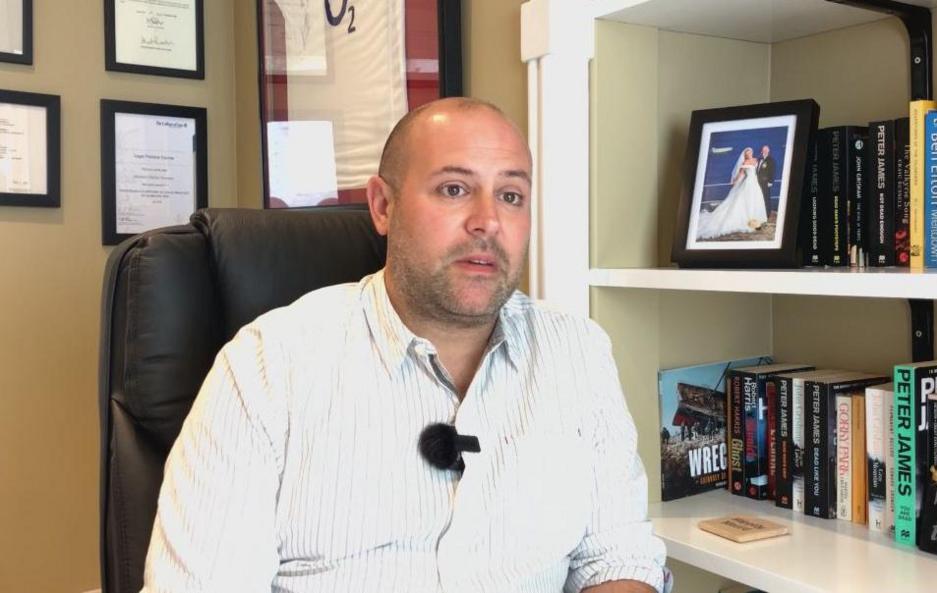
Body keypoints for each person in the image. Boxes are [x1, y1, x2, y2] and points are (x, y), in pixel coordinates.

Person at [139, 97, 667, 593]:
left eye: (511, 196)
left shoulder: (578, 352)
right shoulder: (265, 369)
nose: (487, 221)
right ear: (383, 206)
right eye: (454, 189)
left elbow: (616, 555)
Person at [696, 147, 768, 240]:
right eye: (747, 153)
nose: (749, 154)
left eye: (750, 152)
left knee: (756, 199)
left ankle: (756, 219)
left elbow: (760, 168)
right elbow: (741, 174)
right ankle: (747, 220)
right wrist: (734, 181)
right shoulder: (744, 163)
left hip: (755, 184)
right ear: (745, 155)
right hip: (747, 184)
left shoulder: (755, 160)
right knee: (745, 201)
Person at [755, 144, 775, 219]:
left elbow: (772, 171)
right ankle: (761, 213)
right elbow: (757, 170)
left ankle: (767, 214)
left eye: (766, 149)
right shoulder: (759, 159)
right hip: (758, 182)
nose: (765, 151)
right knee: (760, 198)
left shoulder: (771, 160)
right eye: (764, 149)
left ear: (769, 151)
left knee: (766, 198)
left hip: (766, 183)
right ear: (762, 150)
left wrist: (770, 182)